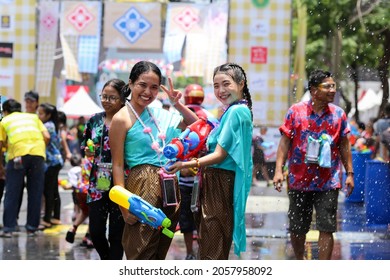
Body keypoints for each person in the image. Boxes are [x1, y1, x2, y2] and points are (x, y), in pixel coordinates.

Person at [109, 61, 199, 260]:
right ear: (131, 84)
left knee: (160, 251)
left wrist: (177, 104)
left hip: (169, 188)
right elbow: (117, 165)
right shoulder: (121, 118)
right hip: (140, 187)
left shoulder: (160, 114)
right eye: (142, 85)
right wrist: (124, 207)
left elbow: (198, 126)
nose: (148, 92)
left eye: (154, 87)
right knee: (140, 249)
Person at [165, 62, 254, 259]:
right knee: (210, 240)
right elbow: (202, 127)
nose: (220, 90)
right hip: (215, 181)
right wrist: (177, 105)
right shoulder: (232, 110)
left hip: (220, 183)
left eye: (226, 84)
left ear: (241, 84)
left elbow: (220, 154)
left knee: (212, 244)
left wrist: (185, 164)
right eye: (215, 85)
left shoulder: (236, 112)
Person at [272, 69, 354, 260]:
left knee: (326, 227)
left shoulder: (338, 114)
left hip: (329, 181)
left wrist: (349, 173)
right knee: (298, 227)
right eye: (327, 86)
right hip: (298, 180)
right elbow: (285, 142)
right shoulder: (295, 111)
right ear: (314, 90)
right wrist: (278, 170)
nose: (332, 90)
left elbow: (344, 145)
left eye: (333, 86)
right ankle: (300, 261)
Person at [80, 78, 129, 260]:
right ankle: (107, 261)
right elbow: (85, 146)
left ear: (123, 99)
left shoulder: (129, 120)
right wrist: (87, 151)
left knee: (117, 234)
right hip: (97, 182)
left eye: (112, 97)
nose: (106, 101)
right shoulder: (94, 120)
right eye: (104, 96)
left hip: (122, 181)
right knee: (96, 231)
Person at [0, 99, 50, 237]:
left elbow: (0, 144)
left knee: (12, 191)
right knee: (35, 191)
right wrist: (37, 150)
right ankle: (31, 227)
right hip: (38, 154)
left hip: (17, 156)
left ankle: (9, 228)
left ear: (5, 111)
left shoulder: (4, 120)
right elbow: (47, 136)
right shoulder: (33, 117)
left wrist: (0, 166)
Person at [37, 103, 64, 229]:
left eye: (41, 113)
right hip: (55, 161)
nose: (38, 116)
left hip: (51, 162)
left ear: (48, 115)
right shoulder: (53, 124)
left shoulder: (47, 126)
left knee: (48, 191)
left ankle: (47, 219)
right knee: (53, 190)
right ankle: (55, 217)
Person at [64, 153, 93, 248]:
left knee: (84, 212)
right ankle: (88, 238)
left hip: (79, 191)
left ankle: (73, 228)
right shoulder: (95, 159)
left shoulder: (86, 160)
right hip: (89, 190)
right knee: (94, 214)